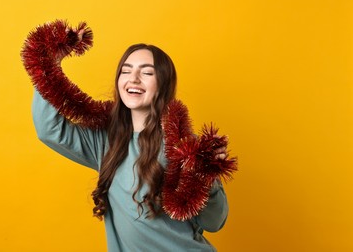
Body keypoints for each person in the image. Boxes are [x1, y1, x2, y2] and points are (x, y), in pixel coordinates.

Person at [21, 20, 237, 252]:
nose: (133, 78)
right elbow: (49, 129)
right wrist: (51, 61)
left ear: (162, 85)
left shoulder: (183, 145)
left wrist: (206, 174)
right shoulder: (106, 142)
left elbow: (214, 222)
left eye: (146, 72)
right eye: (126, 71)